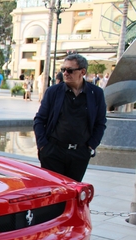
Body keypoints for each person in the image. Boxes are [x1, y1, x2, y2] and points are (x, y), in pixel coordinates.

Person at [33, 54, 107, 182]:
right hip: (53, 152)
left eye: (70, 70)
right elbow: (39, 120)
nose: (65, 73)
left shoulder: (96, 94)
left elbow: (100, 123)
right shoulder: (53, 92)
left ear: (82, 72)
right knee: (53, 194)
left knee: (72, 195)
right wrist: (43, 146)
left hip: (79, 154)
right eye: (63, 70)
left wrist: (90, 147)